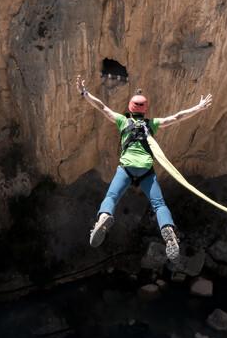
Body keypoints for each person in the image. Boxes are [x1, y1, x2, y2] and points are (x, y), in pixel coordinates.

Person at [76, 74, 213, 261]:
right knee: (159, 205)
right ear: (145, 111)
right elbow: (177, 117)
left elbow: (102, 107)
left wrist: (85, 93)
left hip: (126, 168)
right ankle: (168, 230)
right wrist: (198, 107)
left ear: (130, 110)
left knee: (111, 197)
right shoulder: (152, 124)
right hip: (146, 170)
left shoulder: (123, 121)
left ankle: (103, 218)